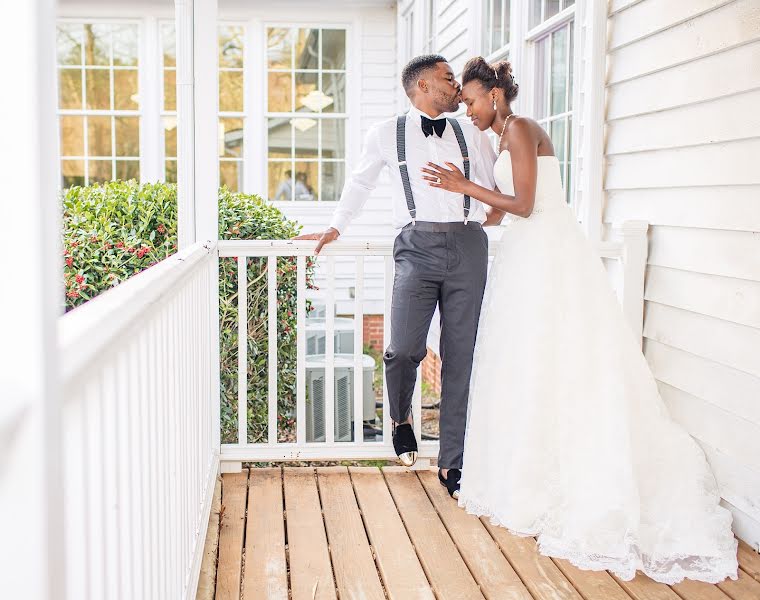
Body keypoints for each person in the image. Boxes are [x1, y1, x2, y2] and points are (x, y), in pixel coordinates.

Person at [421, 56, 739, 584]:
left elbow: (524, 205)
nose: (467, 108)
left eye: (472, 100)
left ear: (495, 96)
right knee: (525, 361)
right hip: (523, 256)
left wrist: (466, 188)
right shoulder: (501, 141)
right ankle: (525, 477)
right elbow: (500, 211)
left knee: (559, 354)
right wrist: (460, 209)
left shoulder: (520, 128)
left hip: (546, 252)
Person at [294, 55, 499, 495]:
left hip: (468, 244)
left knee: (461, 355)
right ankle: (401, 417)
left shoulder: (470, 132)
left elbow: (492, 188)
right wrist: (336, 225)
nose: (457, 88)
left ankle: (452, 463)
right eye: (449, 80)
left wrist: (499, 214)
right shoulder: (386, 134)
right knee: (404, 348)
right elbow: (361, 182)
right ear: (423, 85)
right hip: (416, 246)